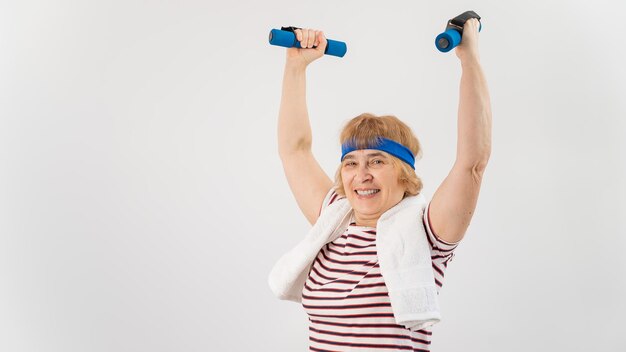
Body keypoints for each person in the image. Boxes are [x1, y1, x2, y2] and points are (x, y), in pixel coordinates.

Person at [276, 19, 491, 351]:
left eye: (377, 161)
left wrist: (468, 56)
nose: (361, 174)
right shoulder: (333, 220)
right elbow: (294, 150)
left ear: (404, 174)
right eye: (351, 163)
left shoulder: (425, 232)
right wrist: (296, 65)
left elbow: (472, 162)